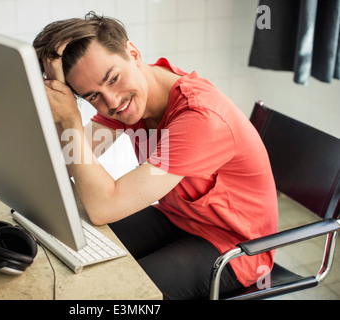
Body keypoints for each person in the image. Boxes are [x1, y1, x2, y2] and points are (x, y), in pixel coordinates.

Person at [33, 12, 278, 300]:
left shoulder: (200, 119)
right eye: (92, 96)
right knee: (66, 245)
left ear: (133, 53)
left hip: (236, 247)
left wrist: (71, 121)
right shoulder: (133, 97)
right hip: (179, 218)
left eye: (113, 78)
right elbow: (61, 163)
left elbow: (104, 207)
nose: (111, 101)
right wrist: (59, 97)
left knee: (114, 293)